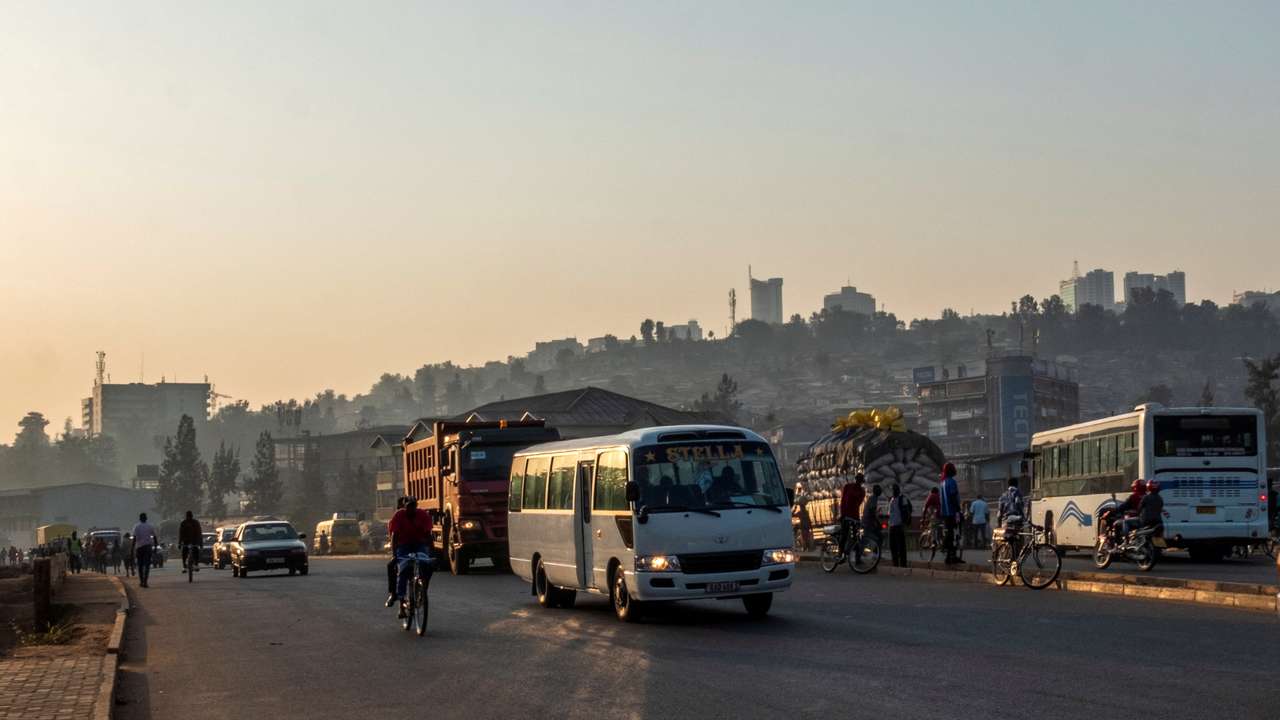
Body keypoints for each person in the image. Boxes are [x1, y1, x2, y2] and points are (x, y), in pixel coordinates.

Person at [388, 497, 434, 618]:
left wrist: (432, 553)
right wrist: (394, 555)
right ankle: (399, 598)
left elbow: (428, 535)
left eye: (413, 506)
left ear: (416, 506)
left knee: (427, 565)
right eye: (408, 506)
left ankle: (423, 589)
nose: (411, 508)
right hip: (403, 545)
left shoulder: (423, 515)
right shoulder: (399, 516)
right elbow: (394, 536)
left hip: (419, 544)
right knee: (403, 570)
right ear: (404, 506)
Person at [939, 463, 961, 564]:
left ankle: (949, 557)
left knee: (950, 533)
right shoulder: (952, 482)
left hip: (945, 512)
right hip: (952, 512)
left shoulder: (943, 483)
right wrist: (958, 509)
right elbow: (953, 496)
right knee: (952, 533)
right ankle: (946, 549)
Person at [838, 474, 867, 551]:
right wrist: (842, 514)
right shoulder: (848, 487)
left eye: (860, 481)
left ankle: (857, 558)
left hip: (854, 516)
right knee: (844, 534)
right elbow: (843, 501)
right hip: (846, 515)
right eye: (858, 480)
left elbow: (858, 503)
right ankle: (840, 553)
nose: (859, 482)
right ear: (856, 480)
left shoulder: (862, 491)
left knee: (856, 537)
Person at [131, 513, 158, 588]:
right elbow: (155, 537)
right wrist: (155, 547)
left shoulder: (136, 526)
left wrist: (132, 549)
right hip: (147, 547)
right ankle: (145, 581)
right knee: (147, 565)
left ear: (140, 518)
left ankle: (141, 581)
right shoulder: (150, 526)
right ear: (146, 518)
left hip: (139, 548)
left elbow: (134, 539)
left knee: (140, 565)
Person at [887, 483, 910, 567]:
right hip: (891, 526)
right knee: (892, 547)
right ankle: (895, 564)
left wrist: (904, 522)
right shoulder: (891, 500)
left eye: (893, 490)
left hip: (899, 526)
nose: (892, 491)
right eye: (892, 490)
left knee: (901, 547)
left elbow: (906, 511)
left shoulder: (902, 499)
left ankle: (903, 564)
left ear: (897, 490)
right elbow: (890, 513)